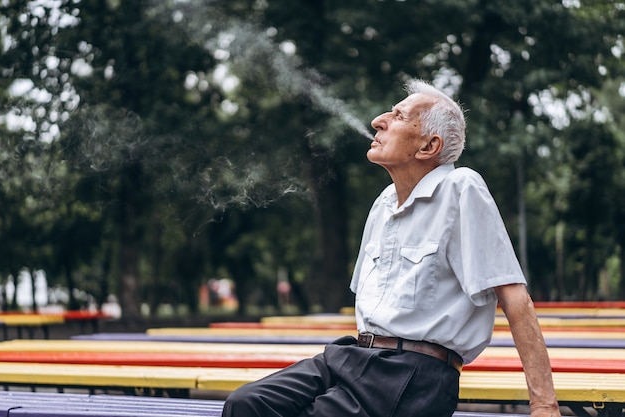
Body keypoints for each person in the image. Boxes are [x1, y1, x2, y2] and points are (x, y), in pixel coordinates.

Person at [221, 79, 561, 417]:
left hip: (411, 374)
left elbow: (514, 297)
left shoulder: (461, 188)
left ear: (429, 146)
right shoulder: (384, 202)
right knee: (246, 404)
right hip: (352, 356)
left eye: (398, 116)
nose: (378, 121)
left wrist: (544, 405)